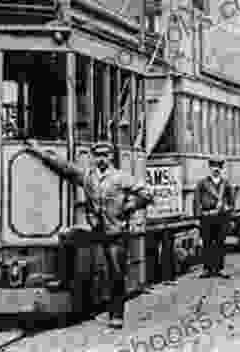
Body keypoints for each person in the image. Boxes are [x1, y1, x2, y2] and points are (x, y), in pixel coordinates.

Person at [24, 140, 154, 329]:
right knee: (67, 236)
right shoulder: (88, 177)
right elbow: (64, 168)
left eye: (105, 155)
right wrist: (40, 152)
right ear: (93, 158)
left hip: (115, 232)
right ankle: (63, 278)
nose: (102, 159)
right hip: (95, 230)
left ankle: (116, 315)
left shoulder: (122, 178)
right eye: (98, 156)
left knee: (116, 274)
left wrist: (128, 207)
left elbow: (147, 194)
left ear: (111, 157)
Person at [194, 155, 235, 279]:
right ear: (210, 168)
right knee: (206, 243)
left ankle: (220, 269)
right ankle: (207, 269)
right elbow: (196, 201)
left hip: (222, 218)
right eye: (213, 166)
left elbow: (232, 202)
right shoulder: (202, 183)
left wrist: (227, 209)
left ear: (221, 169)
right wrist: (198, 216)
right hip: (207, 217)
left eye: (218, 167)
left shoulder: (226, 184)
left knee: (220, 243)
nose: (216, 169)